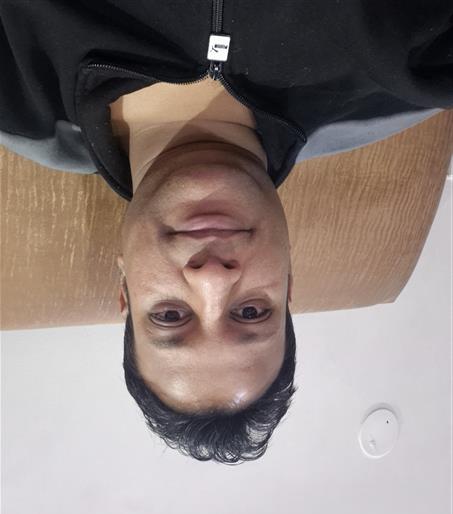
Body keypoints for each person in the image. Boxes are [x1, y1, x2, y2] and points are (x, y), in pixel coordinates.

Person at [1, 1, 451, 463]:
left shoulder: (18, 99)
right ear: (287, 282)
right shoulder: (409, 77)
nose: (212, 278)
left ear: (125, 290)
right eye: (252, 311)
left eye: (170, 315)